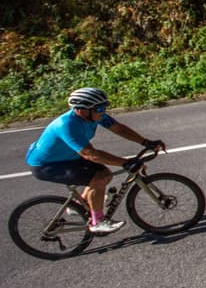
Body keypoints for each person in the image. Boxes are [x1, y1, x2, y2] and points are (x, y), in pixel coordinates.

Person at [25, 87, 166, 234]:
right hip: (46, 165)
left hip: (69, 156)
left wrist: (146, 142)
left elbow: (119, 129)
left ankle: (79, 204)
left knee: (106, 174)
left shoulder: (95, 115)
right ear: (82, 110)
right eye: (100, 108)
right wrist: (125, 162)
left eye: (104, 107)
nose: (103, 111)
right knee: (98, 178)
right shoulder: (67, 125)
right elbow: (90, 154)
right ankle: (97, 222)